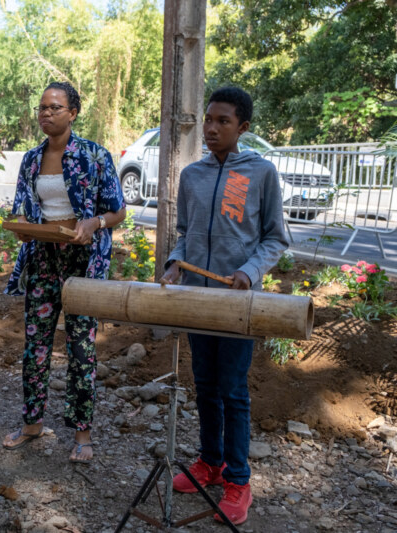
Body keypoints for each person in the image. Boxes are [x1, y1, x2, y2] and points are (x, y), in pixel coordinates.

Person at [160, 87, 288, 525]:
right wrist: (175, 263)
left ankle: (238, 481)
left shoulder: (261, 173)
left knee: (233, 391)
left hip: (238, 304)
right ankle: (210, 463)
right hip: (198, 300)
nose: (211, 129)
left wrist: (249, 272)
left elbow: (275, 238)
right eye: (208, 120)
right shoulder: (192, 175)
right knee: (205, 385)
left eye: (223, 121)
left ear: (243, 127)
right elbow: (185, 233)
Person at [2, 81, 126, 463]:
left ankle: (82, 435)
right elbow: (23, 208)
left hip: (82, 263)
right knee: (35, 345)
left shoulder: (95, 155)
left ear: (72, 113)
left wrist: (93, 224)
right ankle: (32, 423)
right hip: (43, 259)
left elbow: (118, 211)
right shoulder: (31, 159)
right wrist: (22, 226)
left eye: (55, 107)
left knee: (81, 348)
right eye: (42, 107)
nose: (46, 113)